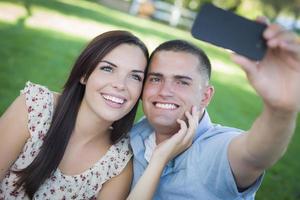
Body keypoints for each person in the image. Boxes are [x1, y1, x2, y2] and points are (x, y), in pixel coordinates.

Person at [129, 22, 300, 199]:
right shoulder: (134, 132)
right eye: (156, 79)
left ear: (205, 96)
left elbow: (254, 156)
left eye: (182, 82)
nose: (164, 91)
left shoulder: (217, 149)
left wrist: (280, 111)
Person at [0, 30, 150, 199]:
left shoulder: (118, 162)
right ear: (84, 75)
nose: (120, 85)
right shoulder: (35, 108)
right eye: (108, 68)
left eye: (135, 77)